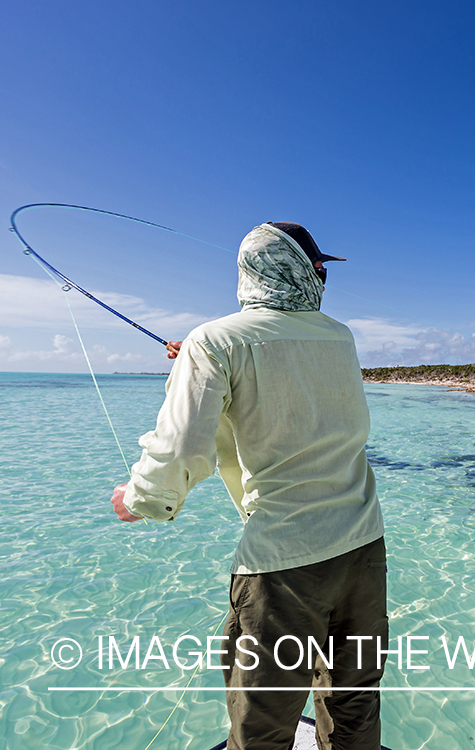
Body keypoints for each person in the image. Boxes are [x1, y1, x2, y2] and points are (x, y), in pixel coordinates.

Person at [110, 222, 388, 750]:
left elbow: (182, 448)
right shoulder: (338, 335)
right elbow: (288, 381)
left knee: (262, 721)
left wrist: (140, 499)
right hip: (364, 547)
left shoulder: (215, 342)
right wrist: (197, 356)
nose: (324, 276)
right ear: (298, 271)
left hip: (284, 562)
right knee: (354, 700)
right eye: (317, 266)